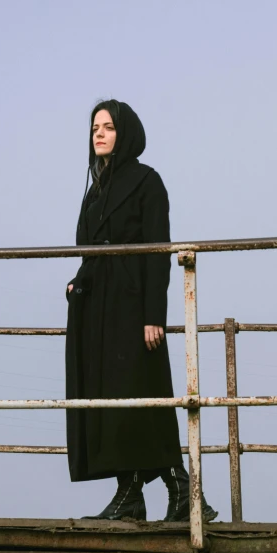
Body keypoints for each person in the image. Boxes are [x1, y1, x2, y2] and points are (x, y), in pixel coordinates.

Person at [65, 99, 217, 522]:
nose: (98, 133)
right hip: (97, 309)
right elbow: (89, 249)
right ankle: (133, 493)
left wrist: (155, 316)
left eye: (108, 126)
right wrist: (79, 280)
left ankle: (182, 492)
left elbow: (157, 254)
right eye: (95, 126)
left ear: (125, 132)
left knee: (140, 396)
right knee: (113, 402)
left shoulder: (148, 182)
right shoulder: (95, 188)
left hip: (132, 306)